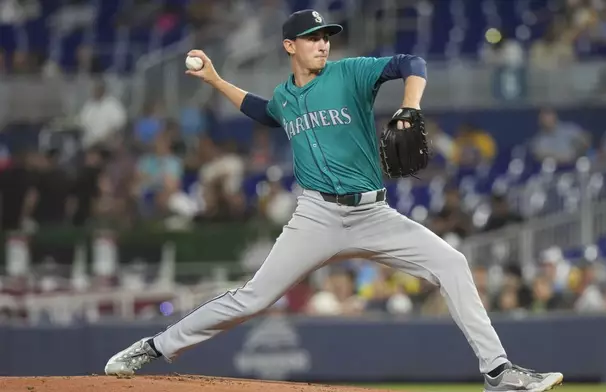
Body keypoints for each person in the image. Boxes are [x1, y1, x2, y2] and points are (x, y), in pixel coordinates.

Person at [104, 10, 563, 392]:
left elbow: (411, 61)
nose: (322, 44)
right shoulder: (287, 96)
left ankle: (498, 372)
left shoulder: (349, 72)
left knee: (452, 263)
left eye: (325, 37)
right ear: (289, 46)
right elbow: (264, 111)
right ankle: (156, 346)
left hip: (374, 213)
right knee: (253, 297)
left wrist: (411, 105)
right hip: (317, 216)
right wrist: (217, 80)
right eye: (311, 38)